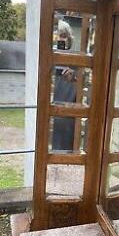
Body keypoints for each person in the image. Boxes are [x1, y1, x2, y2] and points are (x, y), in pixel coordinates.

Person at [52, 17, 77, 151]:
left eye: (64, 36)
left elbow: (83, 81)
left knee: (67, 146)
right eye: (58, 36)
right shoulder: (49, 56)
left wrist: (74, 77)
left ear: (69, 38)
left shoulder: (77, 58)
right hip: (52, 107)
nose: (60, 39)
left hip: (69, 110)